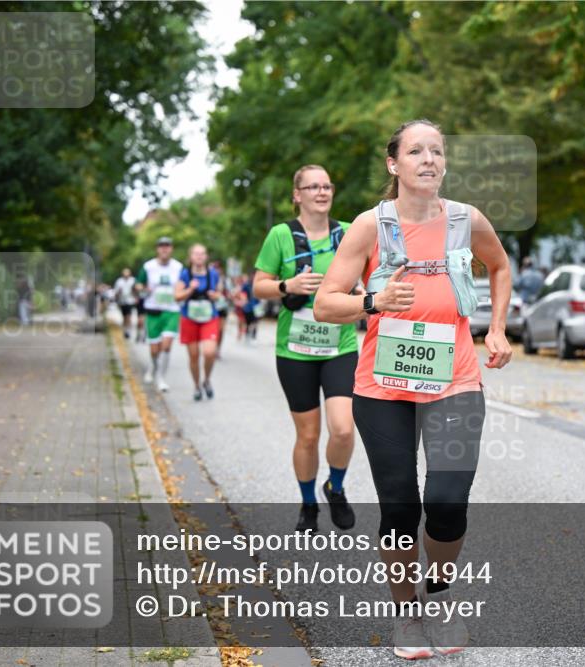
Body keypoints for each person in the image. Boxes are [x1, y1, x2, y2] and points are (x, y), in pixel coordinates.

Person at [314, 120, 512, 658]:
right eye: (416, 151)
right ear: (393, 164)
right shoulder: (368, 227)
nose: (428, 159)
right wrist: (372, 303)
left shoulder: (466, 220)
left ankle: (440, 594)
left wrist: (495, 327)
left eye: (437, 151)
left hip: (456, 379)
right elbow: (325, 303)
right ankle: (407, 614)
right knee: (401, 507)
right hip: (382, 385)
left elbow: (499, 266)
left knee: (448, 503)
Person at [252, 164, 358, 534]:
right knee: (309, 436)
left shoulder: (347, 233)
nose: (322, 192)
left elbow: (366, 276)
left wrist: (361, 293)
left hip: (339, 346)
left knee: (343, 429)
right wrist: (288, 285)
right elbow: (259, 286)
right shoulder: (281, 235)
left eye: (327, 185)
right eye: (313, 186)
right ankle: (308, 502)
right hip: (295, 350)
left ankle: (336, 487)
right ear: (297, 194)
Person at [135, 237, 183, 392]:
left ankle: (161, 378)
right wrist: (142, 288)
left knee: (166, 346)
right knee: (154, 350)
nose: (164, 249)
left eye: (167, 246)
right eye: (161, 246)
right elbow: (138, 284)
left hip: (172, 311)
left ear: (171, 249)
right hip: (153, 310)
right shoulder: (148, 267)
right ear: (157, 249)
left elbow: (184, 284)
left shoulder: (178, 267)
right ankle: (152, 367)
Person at [174, 245, 221, 401]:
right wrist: (190, 289)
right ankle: (196, 386)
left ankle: (206, 380)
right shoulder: (185, 274)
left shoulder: (213, 274)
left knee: (209, 353)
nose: (199, 256)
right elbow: (177, 296)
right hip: (189, 318)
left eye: (202, 254)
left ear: (206, 256)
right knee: (194, 356)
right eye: (196, 254)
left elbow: (219, 293)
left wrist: (215, 296)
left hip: (209, 318)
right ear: (191, 256)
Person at [210, 261, 229, 359]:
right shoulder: (209, 278)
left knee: (221, 330)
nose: (216, 270)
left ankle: (217, 349)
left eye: (218, 268)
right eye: (214, 268)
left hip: (222, 308)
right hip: (211, 307)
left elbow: (229, 293)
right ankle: (211, 348)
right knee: (213, 329)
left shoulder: (225, 280)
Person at [113, 267, 138, 338]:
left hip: (130, 301)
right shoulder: (119, 281)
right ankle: (125, 329)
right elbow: (116, 293)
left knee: (128, 316)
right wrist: (118, 294)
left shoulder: (133, 280)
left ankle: (128, 331)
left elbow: (136, 290)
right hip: (122, 301)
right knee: (124, 317)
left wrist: (136, 297)